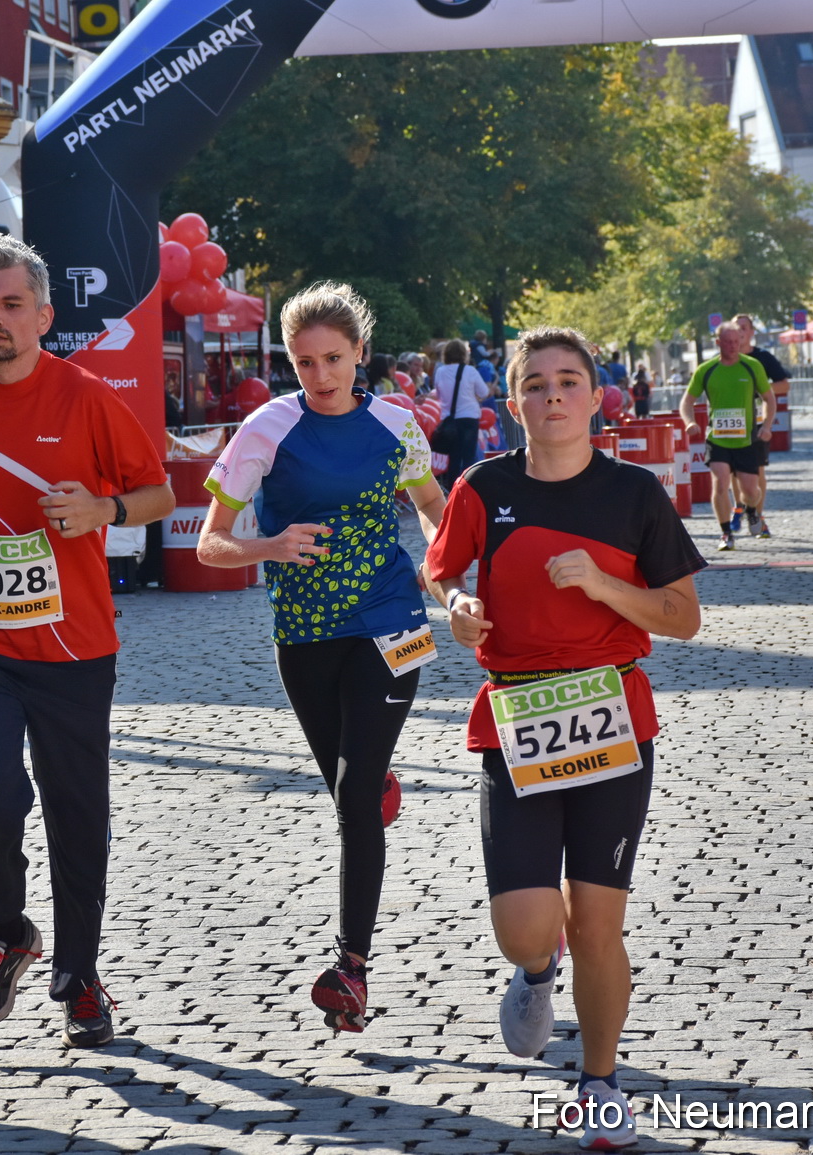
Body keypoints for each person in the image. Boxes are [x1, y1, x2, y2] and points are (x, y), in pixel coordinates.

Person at [425, 325, 704, 1152]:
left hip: (613, 718)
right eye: (537, 384)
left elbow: (683, 617)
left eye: (569, 381)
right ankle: (533, 971)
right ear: (513, 402)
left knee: (597, 924)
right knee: (526, 924)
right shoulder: (483, 486)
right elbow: (441, 567)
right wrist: (456, 606)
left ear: (595, 396)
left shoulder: (634, 495)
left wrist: (602, 582)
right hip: (517, 719)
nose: (553, 396)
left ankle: (601, 1082)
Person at [0, 233, 174, 1048]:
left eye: (12, 305)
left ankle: (80, 974)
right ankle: (11, 929)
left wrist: (102, 512)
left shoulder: (85, 396)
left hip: (73, 645)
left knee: (76, 814)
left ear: (44, 314)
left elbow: (156, 491)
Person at [194, 282, 446, 1034]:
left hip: (390, 620)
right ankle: (374, 779)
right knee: (351, 786)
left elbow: (434, 509)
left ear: (360, 354)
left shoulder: (397, 425)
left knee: (353, 794)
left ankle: (351, 969)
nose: (321, 375)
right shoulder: (265, 428)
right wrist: (269, 545)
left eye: (333, 358)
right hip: (303, 633)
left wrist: (451, 566)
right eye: (304, 362)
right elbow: (210, 542)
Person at [680, 322, 774, 551]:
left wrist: (767, 425)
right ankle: (725, 533)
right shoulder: (707, 369)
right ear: (718, 343)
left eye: (736, 342)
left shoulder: (752, 366)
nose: (733, 346)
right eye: (728, 342)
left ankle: (752, 511)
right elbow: (687, 401)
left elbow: (769, 398)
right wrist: (689, 421)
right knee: (720, 483)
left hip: (746, 440)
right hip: (718, 438)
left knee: (750, 491)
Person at [733, 316, 789, 536]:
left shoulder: (763, 357)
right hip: (731, 422)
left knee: (757, 471)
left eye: (744, 328)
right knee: (732, 472)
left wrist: (761, 389)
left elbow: (784, 385)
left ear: (752, 332)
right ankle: (738, 507)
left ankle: (757, 515)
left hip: (756, 422)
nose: (739, 332)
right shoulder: (726, 357)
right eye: (736, 328)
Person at [435, 338, 492, 488]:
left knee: (454, 457)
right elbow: (484, 392)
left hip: (450, 419)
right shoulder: (470, 371)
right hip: (469, 417)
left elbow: (439, 396)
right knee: (468, 457)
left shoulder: (440, 371)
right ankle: (469, 487)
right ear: (463, 354)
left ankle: (452, 490)